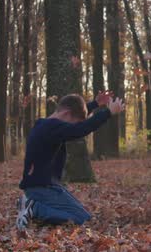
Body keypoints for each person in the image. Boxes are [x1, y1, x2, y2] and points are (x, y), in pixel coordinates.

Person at [15, 92, 125, 230]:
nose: (73, 127)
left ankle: (35, 209)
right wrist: (108, 112)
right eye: (74, 122)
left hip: (44, 186)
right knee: (81, 219)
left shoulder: (44, 125)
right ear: (66, 114)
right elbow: (80, 129)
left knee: (84, 217)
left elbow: (77, 119)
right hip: (42, 188)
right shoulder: (51, 127)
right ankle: (34, 208)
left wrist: (95, 104)